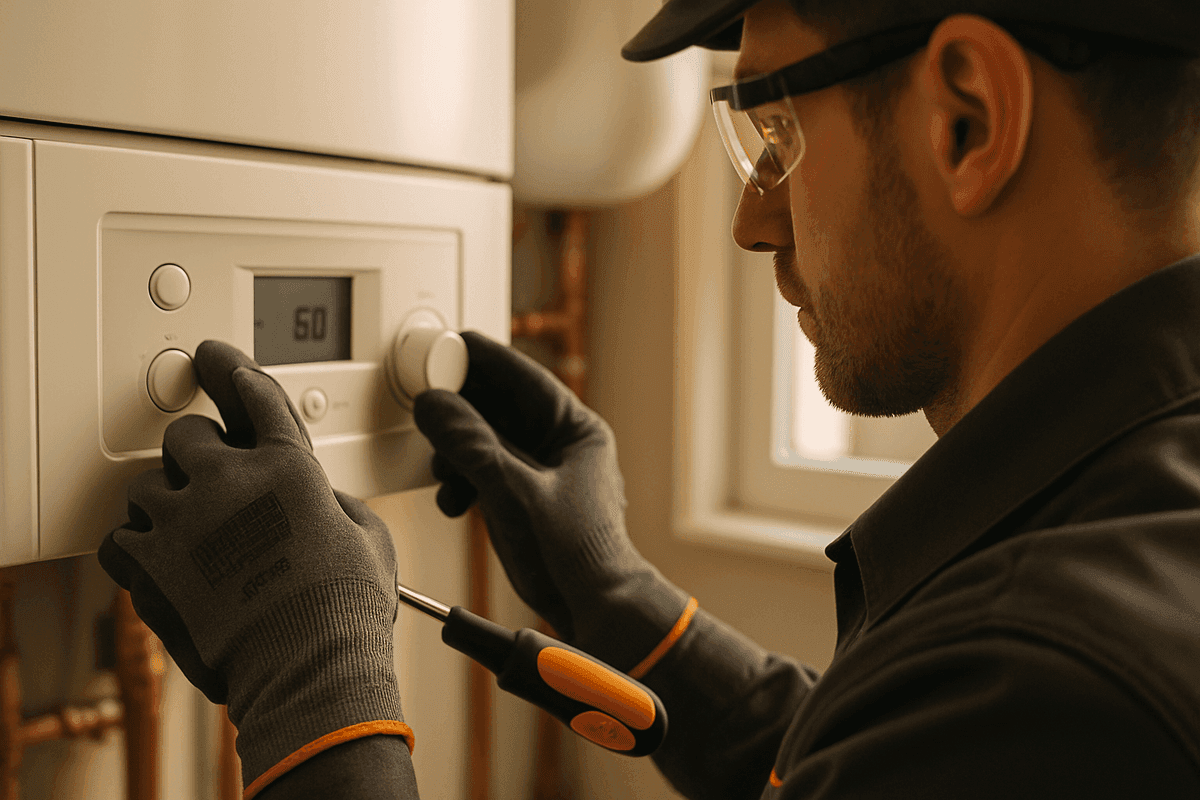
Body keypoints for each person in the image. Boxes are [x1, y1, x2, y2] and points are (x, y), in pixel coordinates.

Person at [99, 0, 1200, 797]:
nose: (753, 223)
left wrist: (316, 694)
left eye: (776, 131)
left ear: (969, 118)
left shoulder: (1051, 676)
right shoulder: (1128, 528)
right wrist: (624, 601)